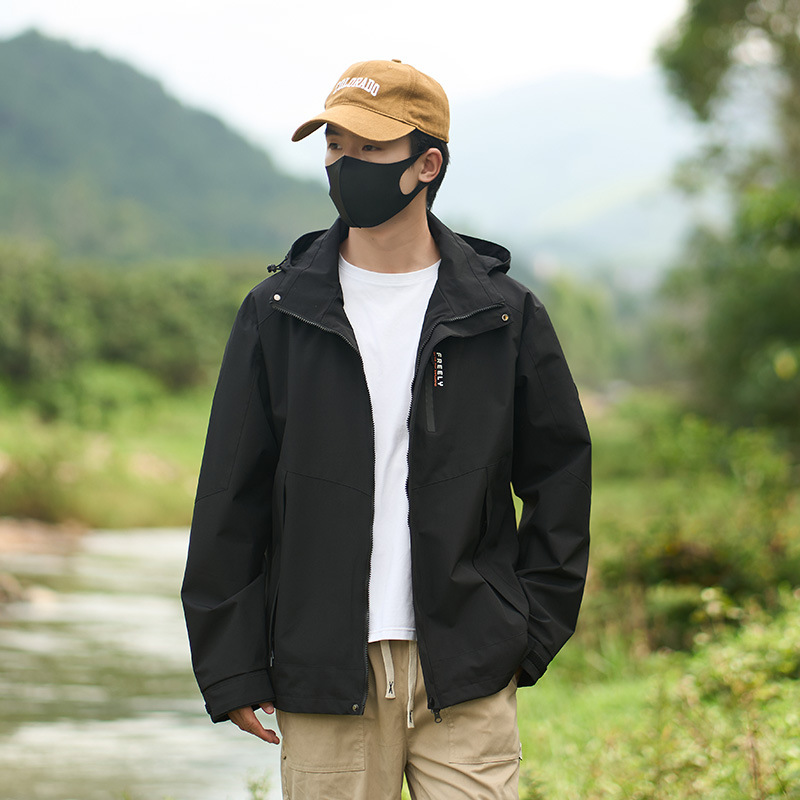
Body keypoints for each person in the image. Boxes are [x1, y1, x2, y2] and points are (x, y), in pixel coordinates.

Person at [181, 58, 591, 799]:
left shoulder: (501, 314)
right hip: (322, 666)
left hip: (465, 665)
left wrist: (524, 634)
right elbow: (228, 497)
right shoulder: (278, 312)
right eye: (335, 144)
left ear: (425, 164)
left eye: (368, 148)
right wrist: (231, 662)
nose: (344, 163)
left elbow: (559, 478)